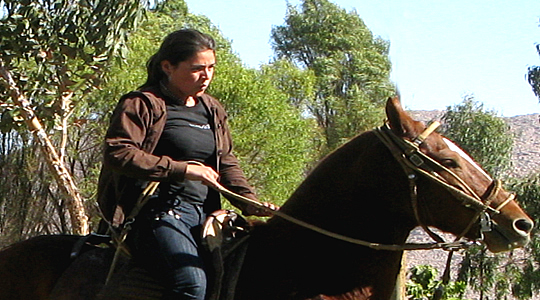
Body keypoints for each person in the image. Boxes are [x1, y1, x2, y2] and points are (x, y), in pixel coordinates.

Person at [96, 29, 277, 300]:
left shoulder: (212, 108)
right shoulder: (143, 103)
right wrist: (182, 169)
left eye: (211, 67)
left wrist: (249, 201)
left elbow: (226, 160)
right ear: (167, 67)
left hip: (206, 215)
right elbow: (118, 152)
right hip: (156, 213)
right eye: (197, 69)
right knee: (191, 283)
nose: (206, 76)